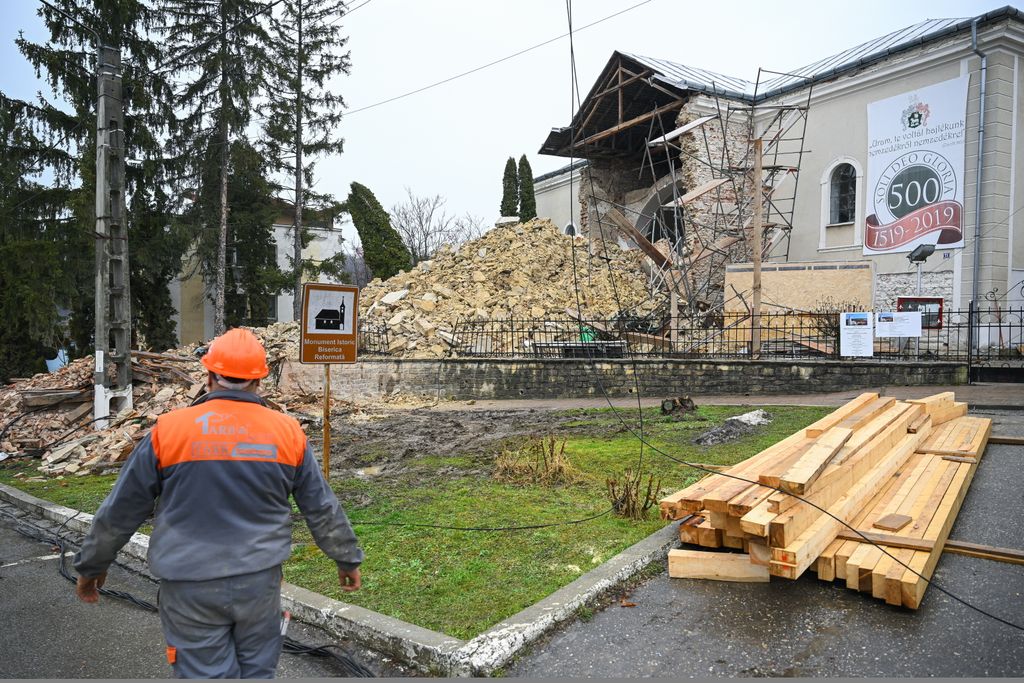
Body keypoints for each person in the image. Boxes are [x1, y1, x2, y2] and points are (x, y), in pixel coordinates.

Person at [73, 328, 363, 678]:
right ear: (259, 381)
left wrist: (92, 566)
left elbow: (122, 509)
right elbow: (320, 506)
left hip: (189, 585)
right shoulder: (288, 433)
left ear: (209, 375)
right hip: (259, 585)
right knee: (257, 673)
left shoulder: (169, 431)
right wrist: (346, 558)